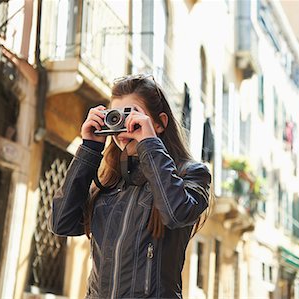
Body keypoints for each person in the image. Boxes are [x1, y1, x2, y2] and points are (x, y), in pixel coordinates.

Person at [51, 74, 212, 298]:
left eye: (133, 116)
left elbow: (176, 213)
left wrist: (148, 142)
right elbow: (61, 223)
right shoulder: (108, 182)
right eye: (117, 116)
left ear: (160, 123)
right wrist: (89, 148)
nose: (124, 127)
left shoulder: (191, 174)